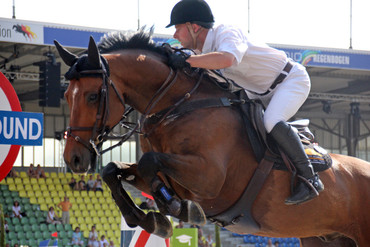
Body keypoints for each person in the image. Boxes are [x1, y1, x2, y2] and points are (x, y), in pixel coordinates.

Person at [166, 0, 324, 205]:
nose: (175, 35)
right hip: (257, 93)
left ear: (194, 27)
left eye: (178, 28)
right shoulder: (199, 53)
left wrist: (188, 61)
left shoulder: (226, 32)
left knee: (272, 121)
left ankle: (310, 178)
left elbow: (227, 59)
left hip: (289, 81)